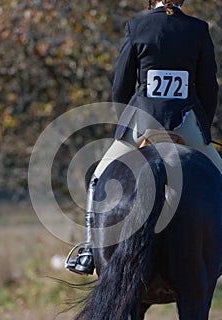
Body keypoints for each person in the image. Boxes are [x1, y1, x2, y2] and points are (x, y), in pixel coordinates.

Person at [66, 0, 222, 275]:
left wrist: (124, 121)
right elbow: (209, 87)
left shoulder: (137, 27)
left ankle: (90, 249)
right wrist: (203, 128)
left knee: (98, 178)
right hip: (187, 123)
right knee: (218, 176)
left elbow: (121, 86)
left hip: (141, 123)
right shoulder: (198, 29)